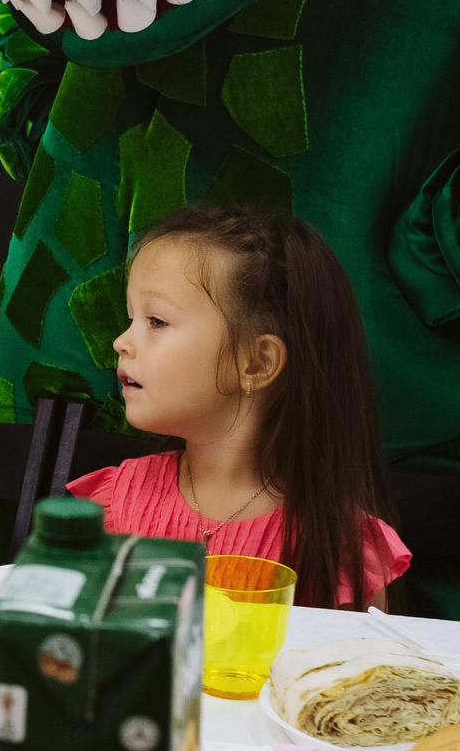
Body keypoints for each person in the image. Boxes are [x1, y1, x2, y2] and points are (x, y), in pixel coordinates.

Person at [68, 202, 411, 610]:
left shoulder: (341, 546)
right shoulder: (111, 505)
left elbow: (354, 673)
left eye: (156, 321)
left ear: (257, 362)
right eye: (131, 318)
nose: (120, 341)